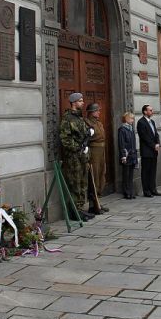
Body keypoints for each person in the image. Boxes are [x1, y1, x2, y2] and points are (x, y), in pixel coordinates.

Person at [60, 92, 94, 222]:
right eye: (80, 101)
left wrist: (89, 132)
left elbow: (83, 134)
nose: (83, 102)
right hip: (73, 158)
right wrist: (78, 148)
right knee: (75, 184)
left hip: (82, 157)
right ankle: (74, 212)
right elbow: (65, 139)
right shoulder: (67, 118)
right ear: (74, 103)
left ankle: (80, 209)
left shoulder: (79, 118)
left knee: (83, 183)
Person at [85, 103, 109, 215]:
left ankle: (98, 201)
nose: (99, 112)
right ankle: (92, 204)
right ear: (92, 112)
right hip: (93, 151)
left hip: (101, 151)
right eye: (97, 110)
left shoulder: (98, 123)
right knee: (94, 176)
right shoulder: (87, 122)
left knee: (101, 175)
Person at [137, 104, 161, 197]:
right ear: (145, 111)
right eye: (150, 110)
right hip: (146, 151)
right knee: (146, 172)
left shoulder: (152, 121)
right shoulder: (141, 122)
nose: (152, 112)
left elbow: (156, 134)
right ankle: (146, 191)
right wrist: (153, 145)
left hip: (154, 150)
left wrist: (158, 143)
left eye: (152, 110)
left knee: (153, 171)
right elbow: (144, 137)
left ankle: (153, 189)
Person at [118, 112, 138, 199]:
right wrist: (123, 155)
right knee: (126, 174)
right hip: (126, 155)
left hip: (132, 154)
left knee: (131, 175)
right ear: (126, 119)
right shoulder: (122, 129)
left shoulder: (131, 129)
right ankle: (126, 192)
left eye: (133, 119)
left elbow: (133, 143)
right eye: (131, 118)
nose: (132, 120)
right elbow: (121, 143)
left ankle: (131, 191)